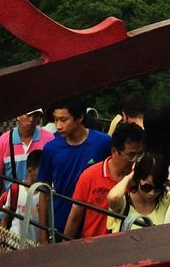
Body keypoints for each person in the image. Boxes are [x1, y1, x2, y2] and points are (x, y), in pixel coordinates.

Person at [35, 100, 111, 243]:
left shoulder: (102, 143)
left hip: (94, 224)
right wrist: (43, 235)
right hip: (60, 222)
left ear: (80, 117)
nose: (58, 125)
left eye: (64, 120)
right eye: (55, 119)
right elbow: (43, 191)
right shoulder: (51, 148)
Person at [67, 122, 146, 238]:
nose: (136, 160)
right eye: (131, 155)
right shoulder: (90, 175)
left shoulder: (141, 179)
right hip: (93, 246)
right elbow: (74, 217)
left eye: (140, 154)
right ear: (114, 151)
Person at [0, 109, 54, 221]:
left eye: (36, 115)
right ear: (18, 116)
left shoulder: (48, 139)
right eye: (27, 115)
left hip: (41, 210)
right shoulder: (4, 142)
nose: (32, 119)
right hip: (11, 208)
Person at [106, 152, 170, 232]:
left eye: (158, 188)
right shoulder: (123, 203)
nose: (152, 193)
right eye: (147, 187)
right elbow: (113, 197)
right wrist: (129, 177)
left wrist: (168, 181)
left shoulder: (166, 200)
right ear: (137, 179)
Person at [2, 151, 45, 243]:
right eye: (41, 171)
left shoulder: (47, 193)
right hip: (14, 243)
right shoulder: (16, 189)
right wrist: (1, 241)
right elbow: (5, 218)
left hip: (35, 245)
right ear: (30, 171)